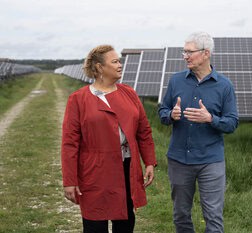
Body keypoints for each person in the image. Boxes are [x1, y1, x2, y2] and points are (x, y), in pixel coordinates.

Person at [61, 44, 157, 233]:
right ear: (99, 67)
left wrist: (149, 162)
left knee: (125, 223)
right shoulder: (79, 99)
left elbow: (143, 131)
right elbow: (70, 143)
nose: (120, 65)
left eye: (119, 61)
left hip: (126, 168)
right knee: (95, 224)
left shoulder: (129, 93)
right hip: (95, 171)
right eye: (114, 61)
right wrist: (69, 180)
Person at [158, 32, 239, 233]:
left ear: (205, 53)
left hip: (210, 161)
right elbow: (162, 112)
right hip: (179, 160)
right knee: (181, 214)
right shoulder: (176, 81)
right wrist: (171, 115)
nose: (185, 56)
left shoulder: (224, 86)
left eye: (189, 52)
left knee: (213, 215)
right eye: (183, 51)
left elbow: (232, 123)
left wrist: (210, 119)